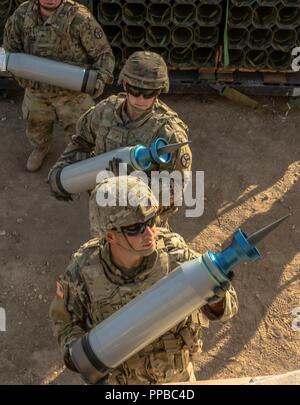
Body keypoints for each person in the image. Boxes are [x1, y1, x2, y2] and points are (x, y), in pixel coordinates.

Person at [49, 175, 238, 385]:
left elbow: (228, 308)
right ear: (110, 236)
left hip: (175, 379)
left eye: (151, 221)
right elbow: (64, 320)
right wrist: (84, 359)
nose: (149, 233)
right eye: (135, 228)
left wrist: (216, 300)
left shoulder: (174, 254)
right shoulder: (83, 270)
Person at [48, 51, 192, 227]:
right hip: (103, 208)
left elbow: (174, 188)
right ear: (124, 84)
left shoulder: (168, 134)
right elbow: (81, 139)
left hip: (142, 223)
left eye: (148, 93)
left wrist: (131, 188)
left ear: (159, 91)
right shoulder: (105, 111)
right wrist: (62, 169)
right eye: (134, 90)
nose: (140, 99)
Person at [3, 0, 115, 171]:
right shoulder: (22, 14)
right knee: (36, 126)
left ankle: (79, 154)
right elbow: (10, 48)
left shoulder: (79, 18)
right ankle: (41, 148)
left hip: (73, 92)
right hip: (37, 90)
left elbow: (104, 55)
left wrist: (99, 80)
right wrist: (20, 75)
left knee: (81, 129)